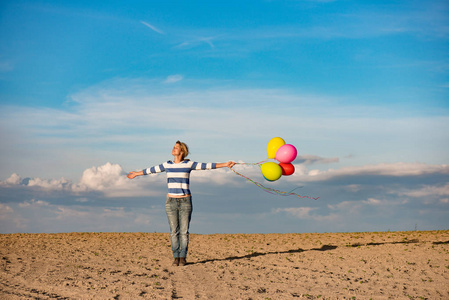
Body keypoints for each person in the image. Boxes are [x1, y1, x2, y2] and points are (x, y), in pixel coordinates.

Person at [127, 141, 235, 266]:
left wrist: (225, 164)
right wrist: (136, 174)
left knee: (184, 231)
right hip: (170, 202)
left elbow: (206, 165)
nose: (173, 149)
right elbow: (151, 170)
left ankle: (182, 257)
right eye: (173, 147)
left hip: (185, 201)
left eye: (176, 148)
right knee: (174, 231)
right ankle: (175, 257)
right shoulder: (167, 165)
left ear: (182, 151)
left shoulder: (188, 164)